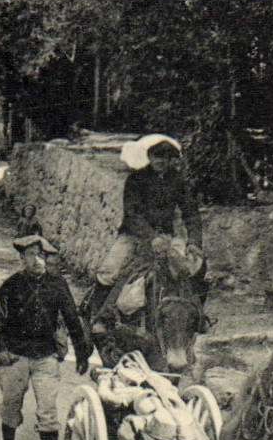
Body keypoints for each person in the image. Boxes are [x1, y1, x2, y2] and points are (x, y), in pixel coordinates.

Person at [0, 235, 92, 440]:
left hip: (46, 357)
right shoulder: (11, 285)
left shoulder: (57, 285)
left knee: (48, 410)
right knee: (11, 404)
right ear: (22, 258)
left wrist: (82, 352)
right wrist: (0, 350)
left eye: (42, 256)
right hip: (16, 357)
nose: (38, 260)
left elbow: (73, 320)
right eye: (32, 255)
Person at [87, 134, 204, 320]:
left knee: (194, 266)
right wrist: (151, 237)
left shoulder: (178, 181)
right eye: (157, 157)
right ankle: (96, 316)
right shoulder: (135, 180)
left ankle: (196, 317)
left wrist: (194, 242)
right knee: (109, 270)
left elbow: (191, 213)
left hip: (166, 237)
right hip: (133, 236)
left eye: (165, 158)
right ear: (149, 157)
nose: (161, 162)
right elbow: (132, 215)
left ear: (170, 160)